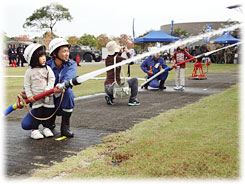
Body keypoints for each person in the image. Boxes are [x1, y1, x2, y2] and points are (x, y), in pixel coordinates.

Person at [21, 38, 77, 138]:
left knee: (68, 93)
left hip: (60, 100)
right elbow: (33, 80)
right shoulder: (45, 65)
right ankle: (49, 122)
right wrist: (25, 92)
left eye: (68, 51)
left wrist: (60, 87)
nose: (67, 54)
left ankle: (65, 127)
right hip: (44, 101)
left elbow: (68, 79)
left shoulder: (71, 64)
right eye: (64, 51)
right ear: (55, 54)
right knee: (26, 125)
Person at [23, 43, 55, 139]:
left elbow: (52, 79)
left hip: (47, 96)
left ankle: (46, 128)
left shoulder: (47, 69)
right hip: (36, 98)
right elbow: (27, 85)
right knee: (37, 113)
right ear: (33, 58)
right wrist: (29, 95)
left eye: (44, 55)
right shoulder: (29, 72)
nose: (44, 58)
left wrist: (48, 89)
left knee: (48, 112)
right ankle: (35, 130)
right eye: (41, 56)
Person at [104, 40, 140, 106]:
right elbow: (131, 62)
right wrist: (127, 52)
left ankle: (110, 97)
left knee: (117, 87)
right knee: (135, 80)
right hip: (114, 87)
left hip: (107, 87)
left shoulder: (107, 59)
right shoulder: (118, 58)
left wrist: (119, 53)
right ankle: (132, 100)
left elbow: (115, 60)